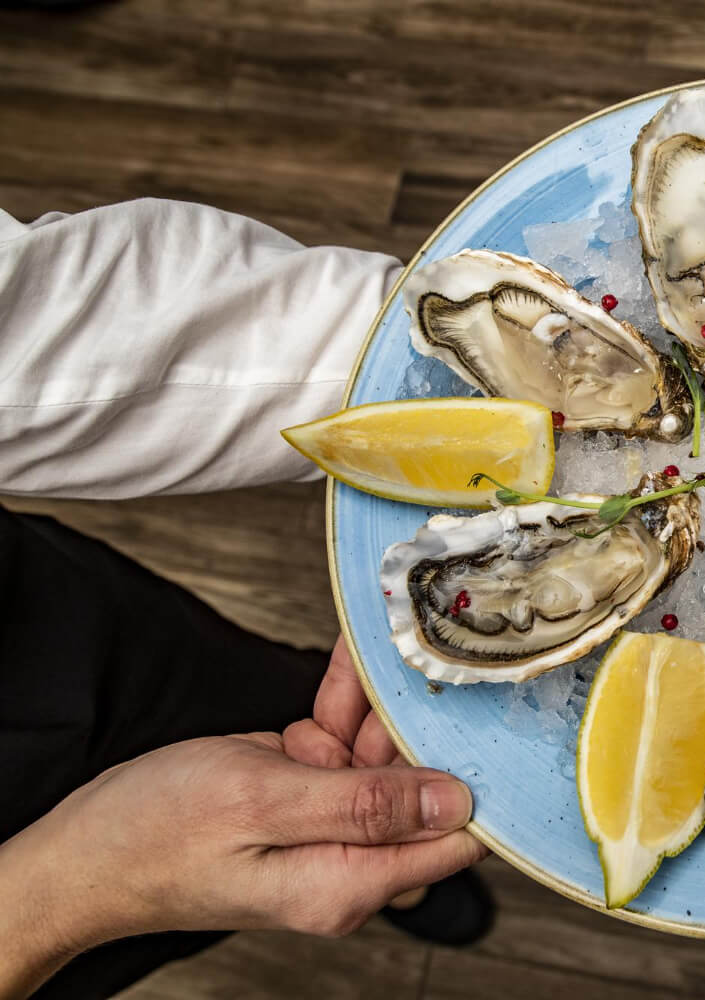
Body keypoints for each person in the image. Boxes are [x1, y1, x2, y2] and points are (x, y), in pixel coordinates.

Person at [0, 200, 494, 999]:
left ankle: (400, 876)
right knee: (194, 897)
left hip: (36, 629)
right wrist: (63, 894)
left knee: (305, 722)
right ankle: (391, 870)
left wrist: (444, 369)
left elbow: (34, 331)